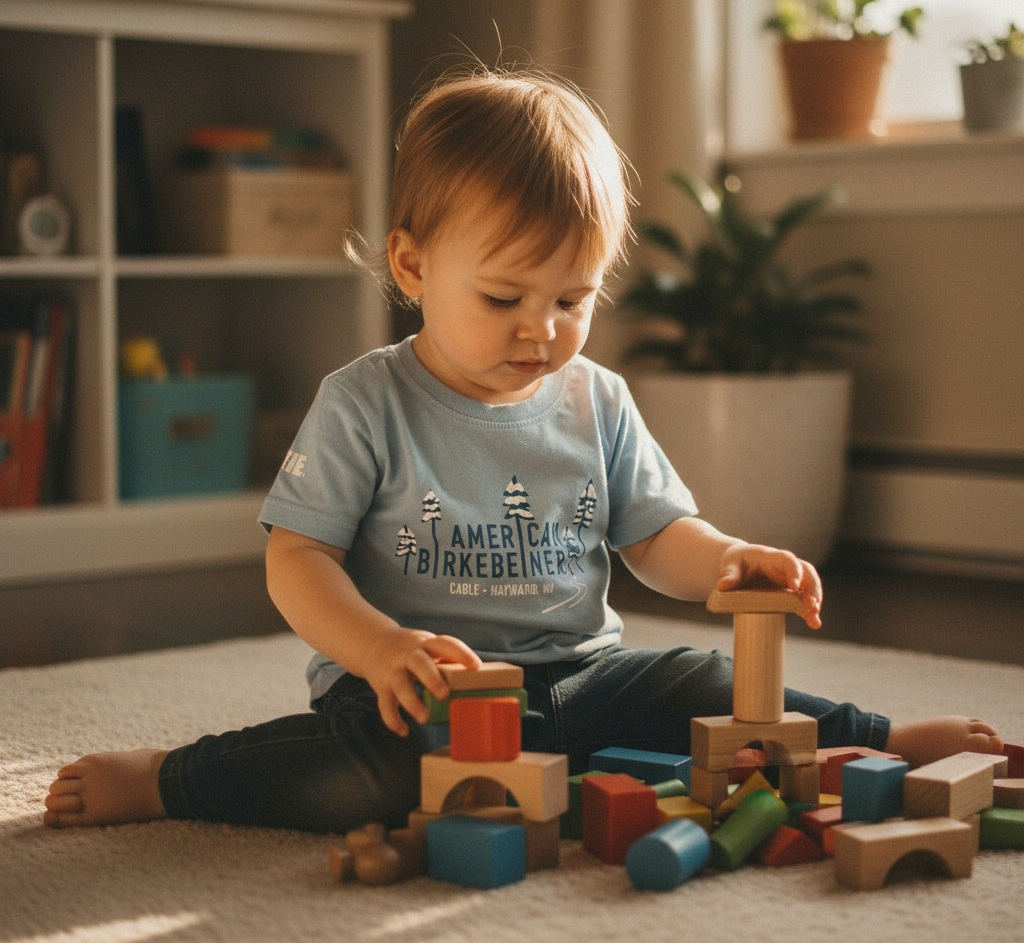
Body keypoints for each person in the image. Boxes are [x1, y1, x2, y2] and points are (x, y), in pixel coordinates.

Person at [45, 66, 1002, 833]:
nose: (540, 330)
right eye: (504, 298)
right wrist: (379, 649)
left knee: (704, 682)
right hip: (419, 691)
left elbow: (657, 535)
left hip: (581, 673)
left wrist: (727, 560)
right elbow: (296, 561)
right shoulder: (365, 401)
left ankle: (869, 739)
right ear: (413, 267)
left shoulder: (598, 399)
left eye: (572, 300)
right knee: (380, 782)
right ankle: (175, 780)